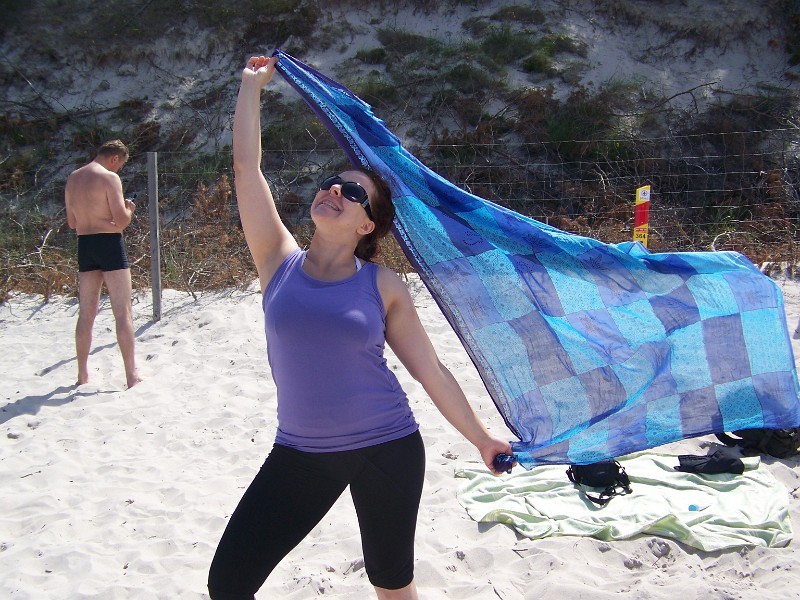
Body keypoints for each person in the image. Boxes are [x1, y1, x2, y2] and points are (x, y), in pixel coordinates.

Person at [206, 56, 513, 600]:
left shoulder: (383, 285)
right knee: (228, 584)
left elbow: (430, 370)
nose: (335, 192)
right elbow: (245, 169)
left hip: (387, 447)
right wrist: (251, 88)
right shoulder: (277, 261)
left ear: (366, 224)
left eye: (352, 194)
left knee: (391, 585)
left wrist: (481, 438)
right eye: (332, 184)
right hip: (301, 453)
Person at [64, 139, 142, 389]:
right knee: (123, 312)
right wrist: (129, 210)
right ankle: (131, 375)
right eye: (120, 165)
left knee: (86, 313)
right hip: (109, 244)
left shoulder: (73, 178)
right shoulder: (109, 178)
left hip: (85, 244)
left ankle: (82, 375)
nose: (118, 169)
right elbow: (121, 221)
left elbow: (72, 222)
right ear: (114, 158)